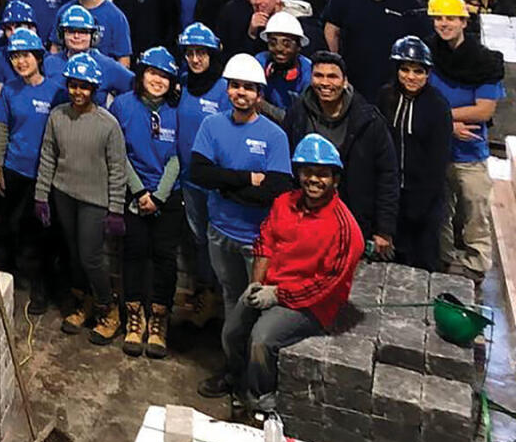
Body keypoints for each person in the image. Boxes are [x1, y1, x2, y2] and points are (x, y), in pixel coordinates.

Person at [201, 133, 364, 411]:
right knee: (232, 331)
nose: (313, 179)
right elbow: (265, 241)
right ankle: (236, 378)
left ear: (335, 179)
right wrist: (256, 283)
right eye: (307, 172)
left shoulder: (345, 229)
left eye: (322, 174)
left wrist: (277, 295)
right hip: (270, 287)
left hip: (312, 304)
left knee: (262, 339)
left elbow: (326, 284)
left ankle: (260, 399)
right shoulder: (284, 203)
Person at [34, 53, 128, 343]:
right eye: (73, 85)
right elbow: (48, 156)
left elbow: (118, 169)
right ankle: (84, 302)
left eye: (84, 86)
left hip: (94, 201)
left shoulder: (108, 124)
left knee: (91, 257)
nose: (78, 92)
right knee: (74, 255)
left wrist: (116, 209)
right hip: (64, 194)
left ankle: (108, 309)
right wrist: (41, 195)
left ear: (94, 89)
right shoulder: (57, 116)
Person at [189, 53, 294, 312]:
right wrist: (247, 178)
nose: (241, 92)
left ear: (259, 95)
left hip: (257, 240)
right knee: (229, 296)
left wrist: (223, 185)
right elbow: (199, 174)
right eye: (235, 85)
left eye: (248, 87)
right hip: (219, 231)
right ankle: (233, 340)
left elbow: (275, 192)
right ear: (227, 90)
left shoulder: (275, 136)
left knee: (256, 304)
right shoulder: (211, 125)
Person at [280, 51, 400, 255]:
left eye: (332, 76)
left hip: (354, 219)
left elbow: (387, 175)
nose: (325, 83)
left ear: (345, 81)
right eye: (319, 75)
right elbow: (286, 164)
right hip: (307, 218)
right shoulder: (297, 114)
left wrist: (384, 229)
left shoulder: (368, 120)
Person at [111, 48, 185, 358]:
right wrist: (140, 192)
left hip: (167, 195)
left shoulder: (178, 110)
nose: (158, 80)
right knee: (134, 252)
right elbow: (118, 152)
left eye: (164, 76)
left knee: (165, 257)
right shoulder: (122, 106)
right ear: (141, 75)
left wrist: (158, 196)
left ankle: (158, 320)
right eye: (153, 73)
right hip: (134, 192)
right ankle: (134, 318)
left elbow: (178, 156)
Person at [427, 0, 505, 280]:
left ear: (463, 21)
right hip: (436, 149)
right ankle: (444, 259)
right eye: (439, 18)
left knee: (475, 210)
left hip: (470, 154)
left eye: (451, 18)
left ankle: (476, 263)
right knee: (439, 210)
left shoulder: (484, 62)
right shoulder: (428, 54)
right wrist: (447, 125)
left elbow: (484, 110)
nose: (444, 24)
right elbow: (418, 98)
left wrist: (441, 116)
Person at [0, 29, 63, 312]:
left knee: (41, 233)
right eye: (15, 57)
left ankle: (40, 288)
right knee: (11, 226)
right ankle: (7, 280)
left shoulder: (56, 91)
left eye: (26, 56)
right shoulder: (9, 90)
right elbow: (2, 129)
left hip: (44, 174)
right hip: (14, 168)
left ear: (38, 57)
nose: (21, 62)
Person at [322, 0, 428, 104]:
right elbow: (331, 30)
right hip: (351, 88)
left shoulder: (409, 2)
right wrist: (336, 68)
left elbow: (419, 51)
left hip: (393, 93)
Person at [377, 36, 453, 271]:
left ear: (427, 74)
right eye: (405, 69)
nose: (411, 77)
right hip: (391, 196)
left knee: (423, 261)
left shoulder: (437, 106)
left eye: (418, 71)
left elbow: (437, 161)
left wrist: (420, 205)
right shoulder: (385, 97)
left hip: (424, 199)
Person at [174, 23, 230, 324]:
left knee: (218, 241)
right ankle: (204, 293)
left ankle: (221, 299)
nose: (195, 59)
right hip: (188, 179)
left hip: (215, 182)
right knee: (197, 240)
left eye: (201, 53)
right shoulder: (182, 84)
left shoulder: (224, 89)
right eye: (190, 53)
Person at [214, 0, 317, 61]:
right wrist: (251, 35)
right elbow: (241, 61)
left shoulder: (301, 21)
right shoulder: (245, 21)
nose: (258, 1)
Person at [52, 6, 133, 104]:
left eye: (83, 32)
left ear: (94, 36)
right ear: (61, 35)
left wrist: (118, 107)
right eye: (71, 31)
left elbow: (135, 86)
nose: (76, 36)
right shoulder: (49, 63)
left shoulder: (108, 66)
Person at [254, 12, 313, 116]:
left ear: (299, 46)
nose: (279, 48)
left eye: (287, 44)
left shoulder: (308, 71)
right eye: (273, 43)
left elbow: (299, 119)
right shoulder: (260, 61)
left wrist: (262, 105)